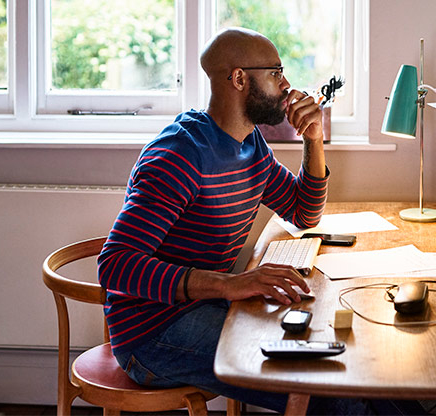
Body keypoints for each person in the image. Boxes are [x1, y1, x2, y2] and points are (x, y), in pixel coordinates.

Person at [97, 27, 384, 414]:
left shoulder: (249, 145)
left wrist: (313, 140)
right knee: (328, 392)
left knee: (355, 364)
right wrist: (232, 284)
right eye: (276, 73)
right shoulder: (180, 156)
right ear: (238, 79)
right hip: (153, 334)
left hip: (207, 307)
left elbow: (303, 212)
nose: (286, 85)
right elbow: (115, 265)